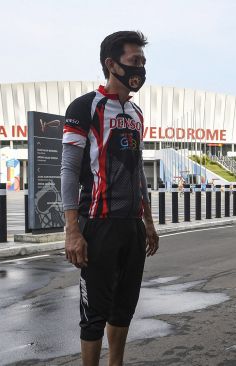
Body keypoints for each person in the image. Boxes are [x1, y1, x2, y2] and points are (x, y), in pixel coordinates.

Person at [61, 31, 159, 366]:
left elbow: (136, 173)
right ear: (111, 63)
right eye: (135, 61)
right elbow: (69, 171)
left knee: (124, 308)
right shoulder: (85, 107)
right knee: (94, 312)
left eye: (143, 62)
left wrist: (148, 222)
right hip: (97, 224)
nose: (141, 68)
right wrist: (72, 230)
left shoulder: (136, 113)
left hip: (131, 226)